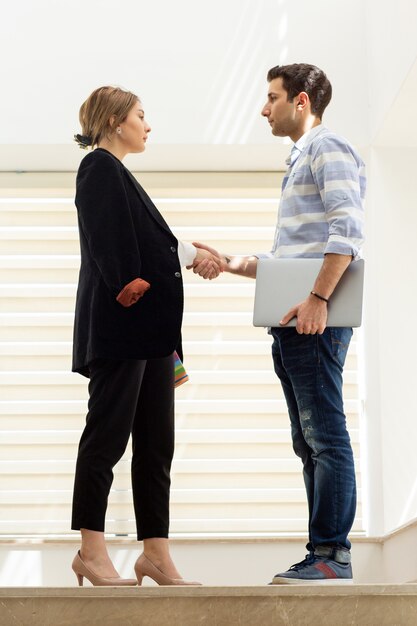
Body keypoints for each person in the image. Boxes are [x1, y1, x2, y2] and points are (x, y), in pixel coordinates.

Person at [193, 63, 365, 583]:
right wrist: (229, 263)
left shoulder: (325, 147)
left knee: (324, 436)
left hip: (313, 321)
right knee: (308, 438)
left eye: (272, 98)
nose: (264, 109)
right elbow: (292, 255)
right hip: (293, 321)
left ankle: (332, 555)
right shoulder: (300, 159)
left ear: (302, 101)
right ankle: (322, 551)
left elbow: (349, 230)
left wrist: (317, 299)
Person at [70, 85, 220, 587]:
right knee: (106, 437)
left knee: (157, 447)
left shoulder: (122, 175)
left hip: (153, 336)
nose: (147, 124)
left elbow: (151, 242)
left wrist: (191, 253)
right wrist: (125, 280)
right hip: (121, 329)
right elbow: (108, 237)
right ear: (115, 121)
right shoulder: (98, 167)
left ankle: (155, 554)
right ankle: (92, 551)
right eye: (140, 115)